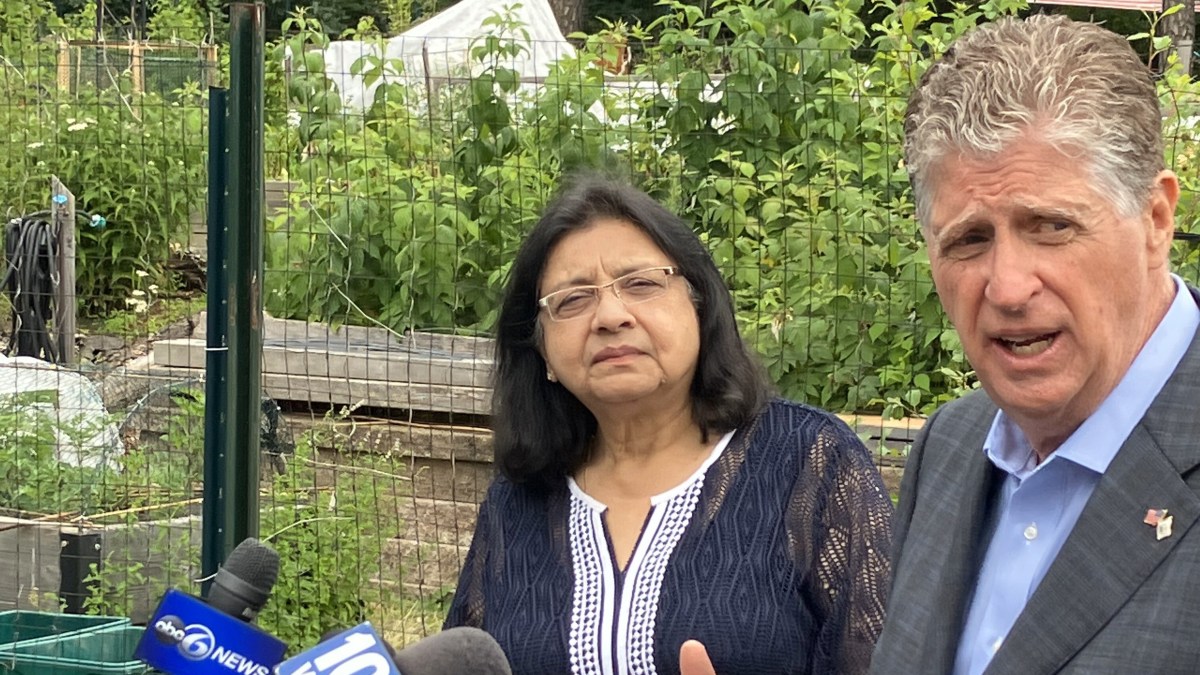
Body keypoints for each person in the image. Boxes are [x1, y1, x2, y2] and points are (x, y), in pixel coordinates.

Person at [443, 175, 894, 674]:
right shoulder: (518, 502)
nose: (610, 316)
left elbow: (893, 662)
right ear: (542, 351)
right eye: (573, 300)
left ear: (699, 305)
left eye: (641, 284)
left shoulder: (811, 464)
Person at [870, 14, 1200, 675]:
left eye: (1051, 225)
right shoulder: (951, 446)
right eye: (968, 240)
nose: (1009, 287)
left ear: (1155, 220)